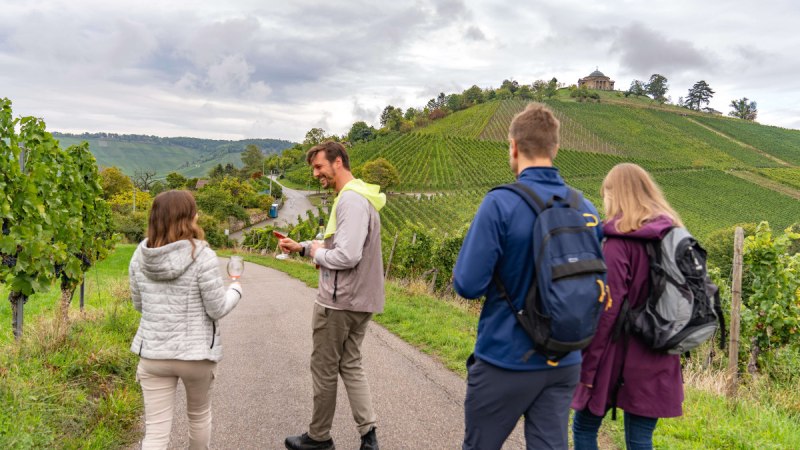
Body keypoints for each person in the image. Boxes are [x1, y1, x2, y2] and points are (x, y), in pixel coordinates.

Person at [452, 103, 603, 450]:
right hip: (565, 361)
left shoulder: (500, 203)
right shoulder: (587, 208)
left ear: (514, 147)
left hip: (506, 358)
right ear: (556, 147)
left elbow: (468, 284)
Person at [279, 141, 385, 450]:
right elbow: (340, 246)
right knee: (350, 364)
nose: (315, 174)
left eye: (319, 167)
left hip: (339, 301)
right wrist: (302, 247)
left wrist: (314, 251)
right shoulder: (362, 196)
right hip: (361, 299)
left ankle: (319, 438)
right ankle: (369, 437)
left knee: (324, 367)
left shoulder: (349, 201)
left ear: (338, 162)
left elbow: (347, 256)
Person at [571, 163, 685, 450]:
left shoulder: (618, 244)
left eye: (606, 193)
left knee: (584, 428)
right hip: (661, 352)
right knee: (640, 439)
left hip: (617, 355)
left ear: (616, 195)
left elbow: (606, 313)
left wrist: (587, 369)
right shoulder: (673, 235)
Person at [129, 190, 243, 449]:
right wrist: (235, 289)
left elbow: (139, 304)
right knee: (198, 417)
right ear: (189, 218)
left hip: (154, 355)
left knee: (156, 432)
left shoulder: (139, 256)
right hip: (196, 355)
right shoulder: (202, 255)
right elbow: (216, 308)